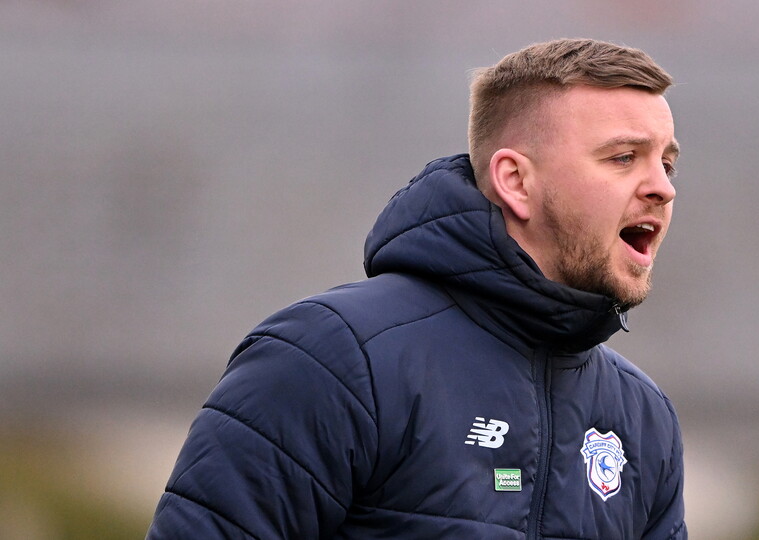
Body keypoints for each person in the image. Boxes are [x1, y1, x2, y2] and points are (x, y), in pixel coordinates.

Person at [148, 38, 686, 539]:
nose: (662, 188)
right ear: (516, 182)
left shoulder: (643, 416)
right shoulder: (331, 359)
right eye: (623, 157)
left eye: (666, 164)